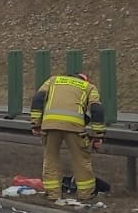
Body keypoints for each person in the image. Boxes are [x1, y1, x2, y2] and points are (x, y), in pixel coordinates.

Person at [29, 72, 106, 200]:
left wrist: (35, 124)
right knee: (81, 160)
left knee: (50, 159)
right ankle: (86, 194)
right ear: (84, 79)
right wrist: (98, 135)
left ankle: (53, 194)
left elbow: (38, 99)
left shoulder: (53, 80)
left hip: (50, 124)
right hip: (74, 126)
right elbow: (97, 109)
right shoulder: (88, 87)